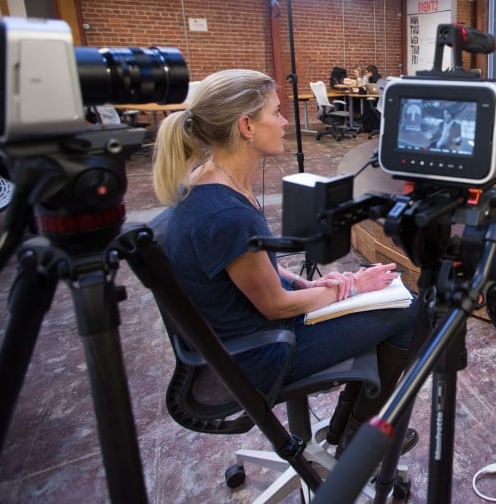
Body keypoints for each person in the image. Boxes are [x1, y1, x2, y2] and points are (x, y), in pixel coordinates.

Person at [152, 68, 419, 454]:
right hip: (263, 352)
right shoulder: (226, 214)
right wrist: (353, 288)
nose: (284, 122)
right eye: (275, 112)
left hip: (246, 333)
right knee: (409, 311)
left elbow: (250, 266)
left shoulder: (212, 180)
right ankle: (358, 440)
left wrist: (308, 284)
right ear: (246, 125)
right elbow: (275, 307)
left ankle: (349, 428)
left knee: (384, 298)